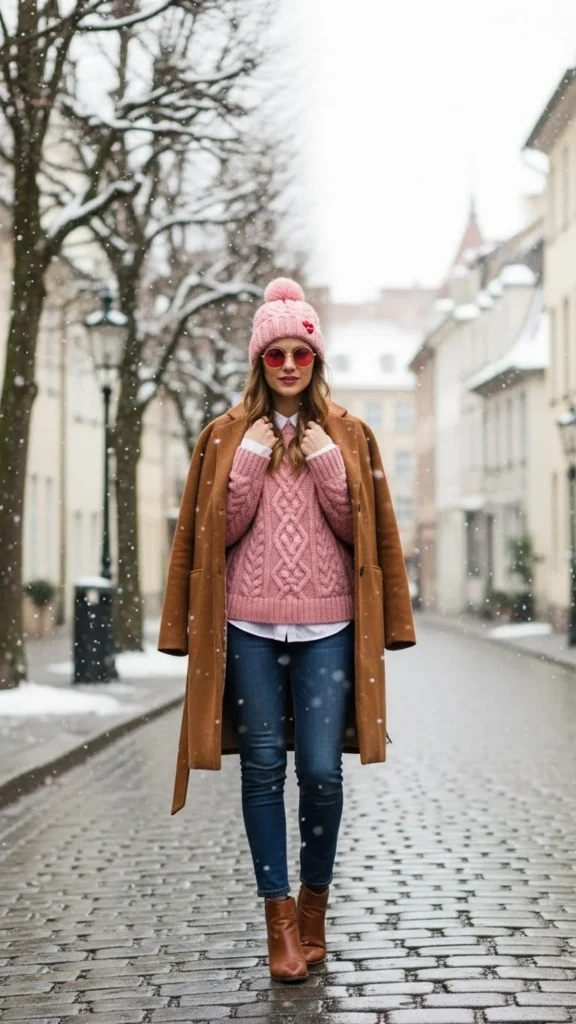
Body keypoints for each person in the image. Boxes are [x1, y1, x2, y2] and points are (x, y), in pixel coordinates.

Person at [158, 277, 416, 983]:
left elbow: (362, 531)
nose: (290, 365)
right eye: (276, 353)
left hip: (330, 627)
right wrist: (251, 457)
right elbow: (213, 534)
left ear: (317, 360)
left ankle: (313, 909)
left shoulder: (350, 435)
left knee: (323, 774)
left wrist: (326, 457)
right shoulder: (224, 437)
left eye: (302, 351)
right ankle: (278, 925)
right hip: (247, 626)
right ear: (259, 361)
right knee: (266, 771)